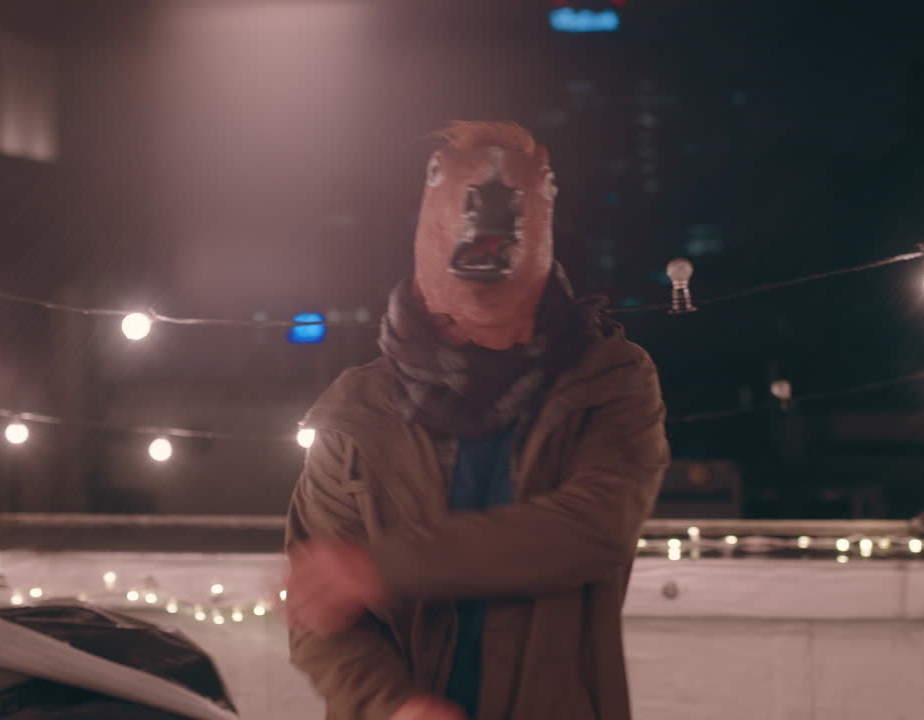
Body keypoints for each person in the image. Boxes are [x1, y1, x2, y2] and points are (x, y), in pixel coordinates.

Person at [283, 121, 669, 720]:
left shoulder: (610, 380)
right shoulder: (355, 412)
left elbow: (596, 527)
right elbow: (318, 615)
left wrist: (379, 568)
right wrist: (394, 706)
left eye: (531, 184)